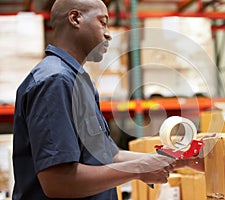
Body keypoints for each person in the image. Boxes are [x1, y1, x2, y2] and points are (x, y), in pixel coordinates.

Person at [12, 0, 204, 199]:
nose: (108, 33)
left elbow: (110, 156)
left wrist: (181, 158)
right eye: (102, 22)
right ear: (75, 18)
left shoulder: (78, 81)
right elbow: (58, 182)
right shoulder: (55, 81)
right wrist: (138, 169)